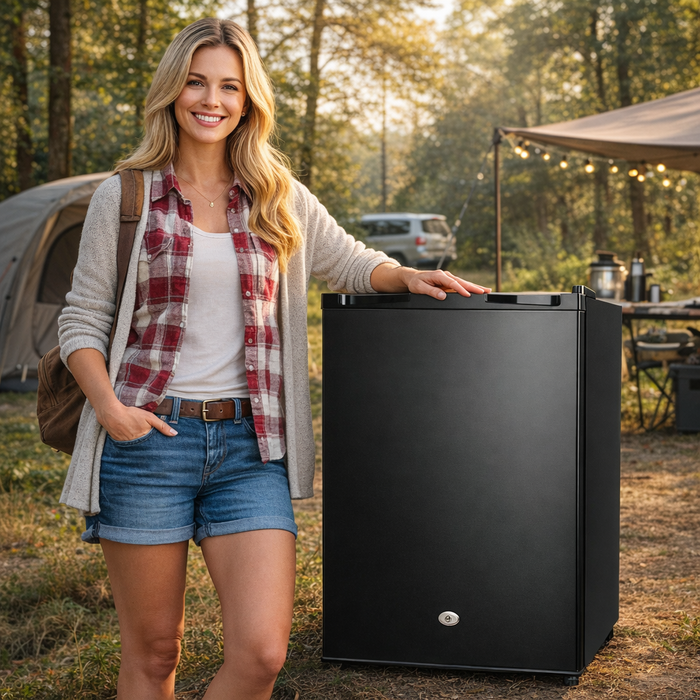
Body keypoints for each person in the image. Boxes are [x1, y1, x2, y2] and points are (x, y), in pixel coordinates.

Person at [58, 17, 490, 700]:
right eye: (197, 82)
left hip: (248, 449)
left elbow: (346, 258)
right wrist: (111, 411)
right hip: (146, 445)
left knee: (261, 653)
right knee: (154, 654)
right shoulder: (128, 194)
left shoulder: (274, 194)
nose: (212, 99)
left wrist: (404, 276)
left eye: (229, 86)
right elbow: (80, 317)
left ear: (247, 99)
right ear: (172, 91)